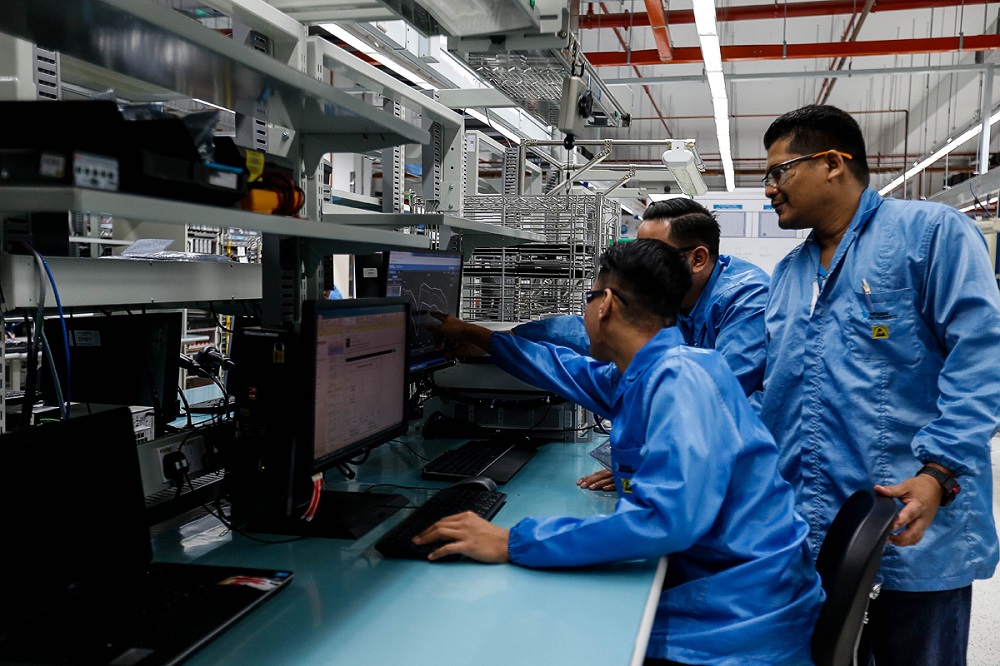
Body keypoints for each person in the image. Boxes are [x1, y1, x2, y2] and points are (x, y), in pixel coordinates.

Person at [420, 239, 824, 666]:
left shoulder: (679, 383)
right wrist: (480, 337)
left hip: (740, 615)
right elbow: (564, 368)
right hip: (723, 583)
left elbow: (664, 521)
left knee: (547, 634)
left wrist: (513, 541)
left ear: (606, 304)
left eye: (589, 298)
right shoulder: (654, 371)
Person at [759, 104, 1000, 665]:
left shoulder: (931, 234)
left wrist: (939, 472)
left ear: (832, 163)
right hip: (811, 535)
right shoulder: (789, 274)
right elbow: (775, 394)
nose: (769, 189)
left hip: (912, 522)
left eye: (779, 171)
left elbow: (982, 358)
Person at [512, 201, 769, 399]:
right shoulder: (667, 293)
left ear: (697, 259)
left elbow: (718, 396)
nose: (638, 265)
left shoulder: (747, 301)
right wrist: (516, 336)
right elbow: (602, 330)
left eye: (653, 254)